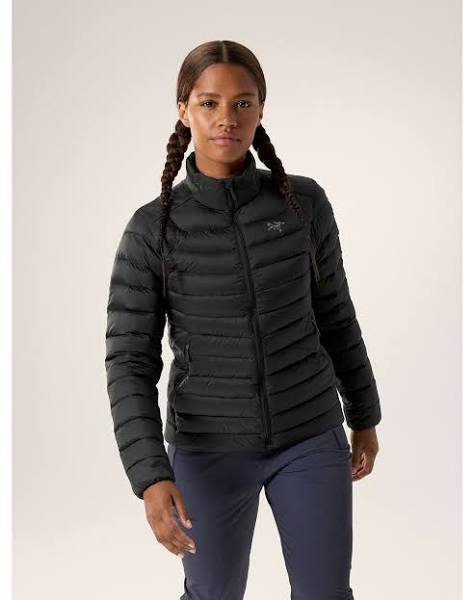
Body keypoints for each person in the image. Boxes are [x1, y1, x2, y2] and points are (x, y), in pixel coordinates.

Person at [105, 39, 381, 600]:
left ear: (260, 110)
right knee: (212, 594)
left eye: (242, 103)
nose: (226, 119)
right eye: (209, 103)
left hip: (308, 434)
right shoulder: (153, 230)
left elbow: (335, 313)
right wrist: (151, 476)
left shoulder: (303, 204)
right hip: (207, 449)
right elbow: (130, 362)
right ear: (184, 110)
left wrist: (364, 413)